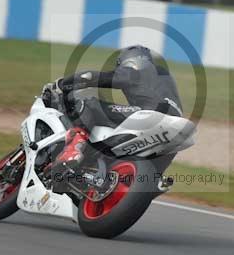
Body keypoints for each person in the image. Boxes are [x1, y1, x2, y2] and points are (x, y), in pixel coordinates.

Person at [52, 45, 183, 170]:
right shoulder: (164, 76)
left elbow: (91, 77)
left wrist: (62, 84)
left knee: (91, 104)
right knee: (152, 174)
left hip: (150, 113)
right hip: (177, 126)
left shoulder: (136, 71)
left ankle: (73, 149)